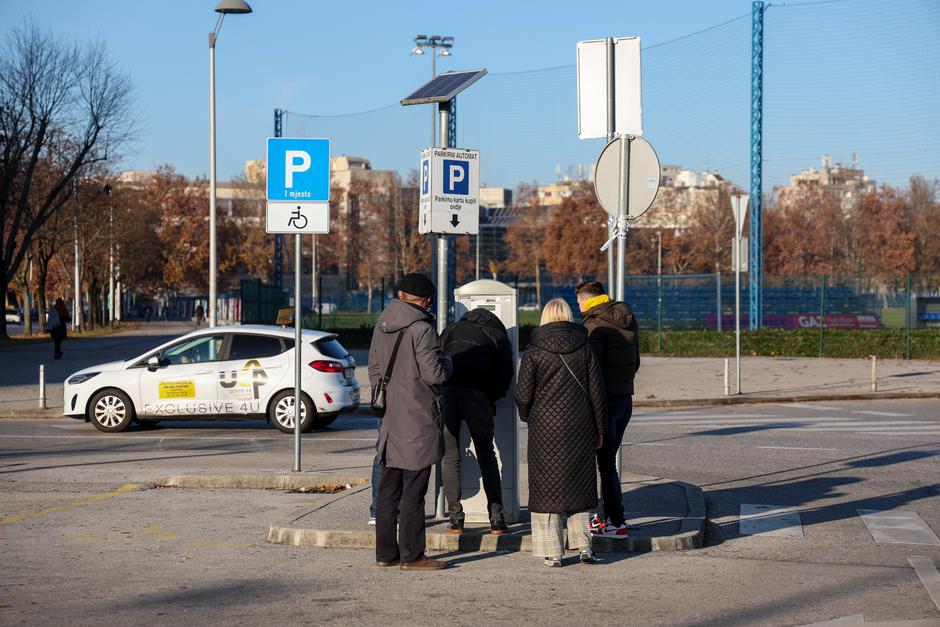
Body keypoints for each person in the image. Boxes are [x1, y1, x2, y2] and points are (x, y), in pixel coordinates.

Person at [369, 273, 453, 571]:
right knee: (414, 493)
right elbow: (434, 374)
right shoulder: (421, 330)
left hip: (392, 419)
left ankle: (385, 554)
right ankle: (413, 555)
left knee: (388, 490)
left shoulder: (382, 323)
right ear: (426, 300)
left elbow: (375, 368)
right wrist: (449, 362)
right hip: (417, 419)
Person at [515, 298, 607, 567]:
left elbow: (523, 394)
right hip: (580, 426)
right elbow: (597, 393)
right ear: (568, 316)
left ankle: (552, 552)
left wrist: (528, 415)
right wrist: (599, 428)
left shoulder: (534, 349)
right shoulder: (585, 346)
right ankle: (584, 547)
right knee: (580, 488)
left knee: (547, 491)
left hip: (545, 429)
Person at [439, 307, 514, 535]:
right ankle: (497, 520)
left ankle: (455, 520)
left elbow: (436, 361)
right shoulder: (497, 334)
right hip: (478, 396)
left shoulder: (450, 330)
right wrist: (492, 397)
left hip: (448, 393)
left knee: (450, 456)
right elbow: (506, 373)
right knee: (487, 455)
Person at [575, 280, 641, 539]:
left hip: (604, 403)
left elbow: (590, 372)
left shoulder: (593, 326)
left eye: (579, 301)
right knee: (608, 462)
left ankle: (615, 521)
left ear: (587, 299)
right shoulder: (626, 317)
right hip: (625, 398)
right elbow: (635, 362)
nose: (578, 306)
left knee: (604, 465)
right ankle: (604, 518)